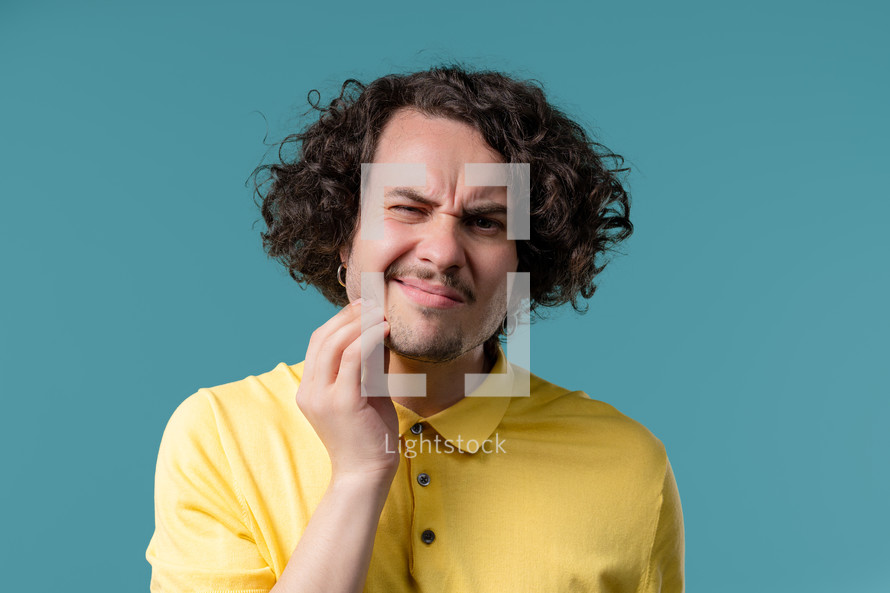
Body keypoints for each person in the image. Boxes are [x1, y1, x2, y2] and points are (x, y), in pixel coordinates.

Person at [145, 64, 684, 593]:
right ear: (343, 232)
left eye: (485, 222)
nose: (443, 252)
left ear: (524, 261)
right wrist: (359, 477)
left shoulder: (629, 465)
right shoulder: (219, 436)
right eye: (407, 207)